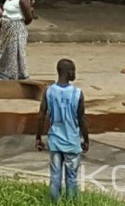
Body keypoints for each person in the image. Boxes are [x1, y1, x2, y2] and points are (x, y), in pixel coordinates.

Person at [36, 59, 89, 202]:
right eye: (74, 71)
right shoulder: (77, 93)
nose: (75, 74)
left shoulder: (48, 91)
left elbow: (41, 115)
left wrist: (38, 137)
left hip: (55, 141)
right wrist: (86, 140)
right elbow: (82, 119)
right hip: (72, 142)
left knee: (55, 176)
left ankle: (55, 202)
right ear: (69, 72)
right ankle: (71, 202)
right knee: (72, 177)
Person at [0, 0, 33, 80]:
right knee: (4, 54)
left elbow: (29, 18)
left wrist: (16, 26)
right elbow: (6, 12)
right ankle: (2, 77)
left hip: (16, 31)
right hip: (6, 30)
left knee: (14, 56)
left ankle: (15, 79)